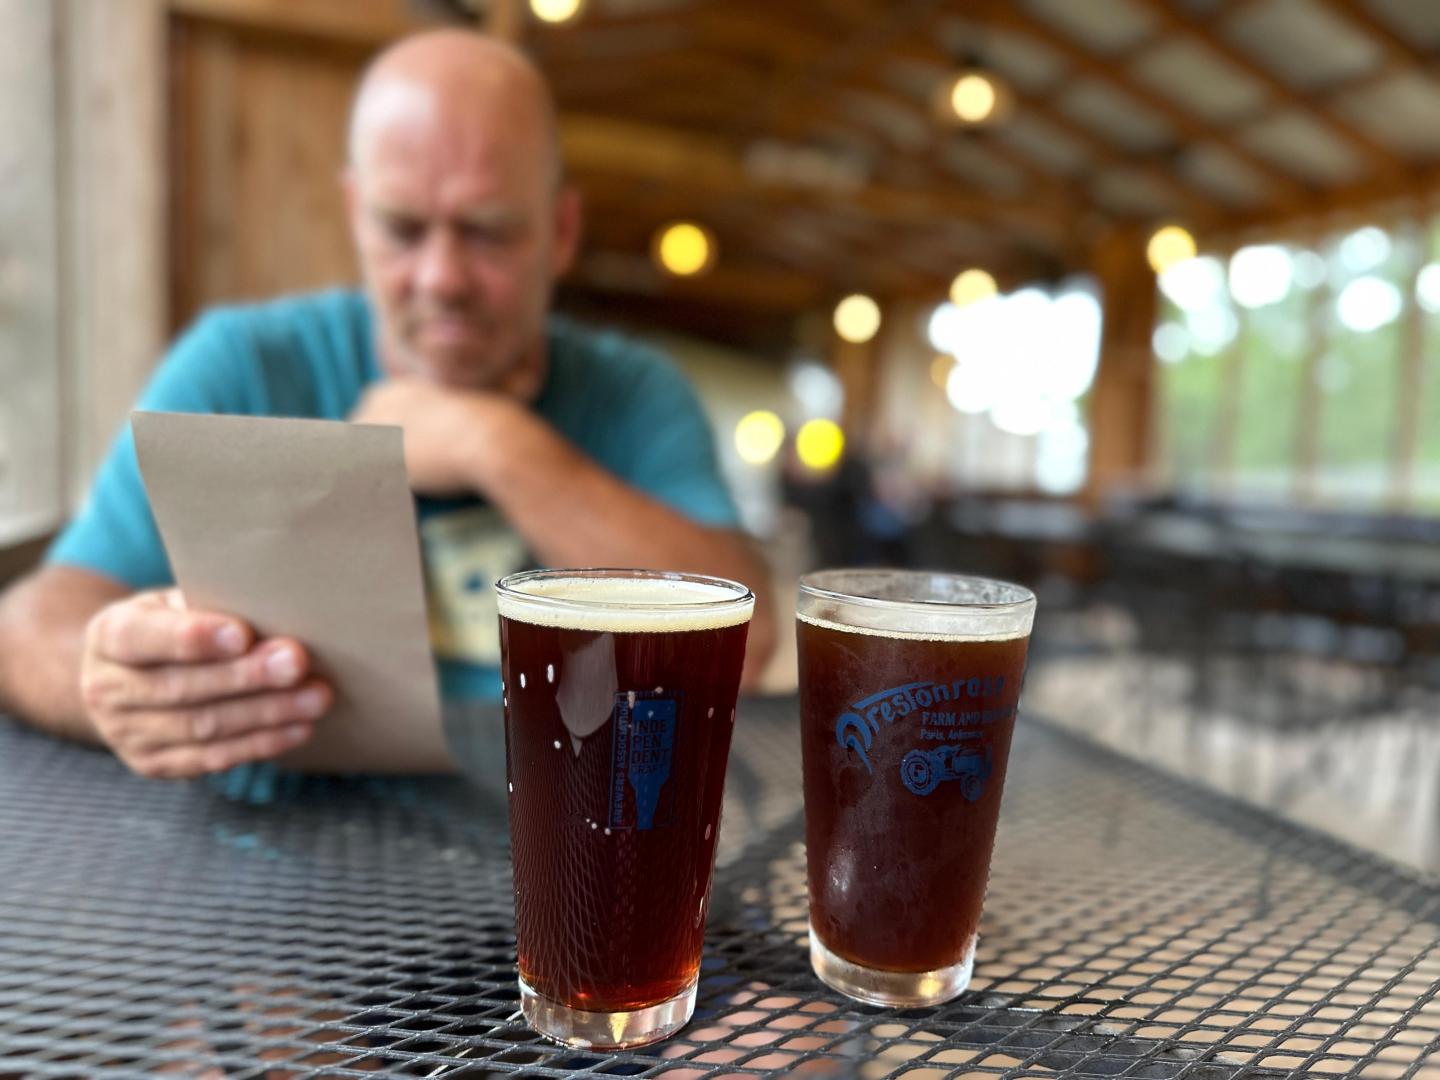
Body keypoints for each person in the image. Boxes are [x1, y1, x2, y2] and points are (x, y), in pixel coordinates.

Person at [0, 29, 775, 780]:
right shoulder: (244, 366)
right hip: (285, 830)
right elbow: (29, 624)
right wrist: (108, 681)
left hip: (561, 828)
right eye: (402, 228)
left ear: (561, 231)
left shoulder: (636, 392)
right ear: (353, 212)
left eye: (489, 232)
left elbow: (751, 638)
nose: (441, 277)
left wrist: (494, 443)